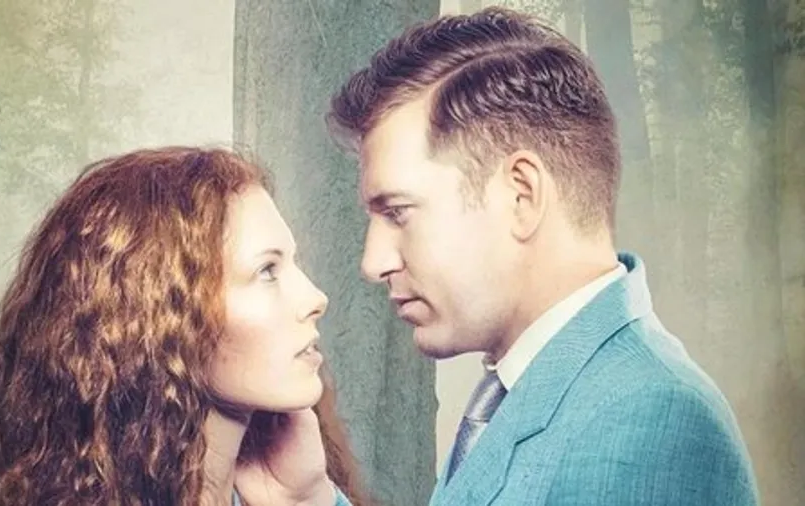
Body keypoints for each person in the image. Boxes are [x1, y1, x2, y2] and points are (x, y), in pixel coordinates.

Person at [235, 6, 759, 505]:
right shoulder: (532, 390)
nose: (374, 262)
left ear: (520, 195)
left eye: (398, 212)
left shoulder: (647, 422)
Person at [0, 147, 370, 506]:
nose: (315, 298)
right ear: (158, 314)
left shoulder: (293, 483)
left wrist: (310, 499)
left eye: (292, 263)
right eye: (267, 271)